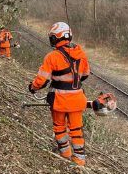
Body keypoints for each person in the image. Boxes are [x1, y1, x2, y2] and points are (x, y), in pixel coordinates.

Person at [28, 22, 91, 166]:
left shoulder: (52, 57)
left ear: (56, 38)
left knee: (60, 127)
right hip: (77, 99)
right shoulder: (81, 54)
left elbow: (41, 81)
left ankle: (65, 153)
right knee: (76, 129)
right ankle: (79, 160)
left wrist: (32, 87)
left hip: (59, 101)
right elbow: (85, 75)